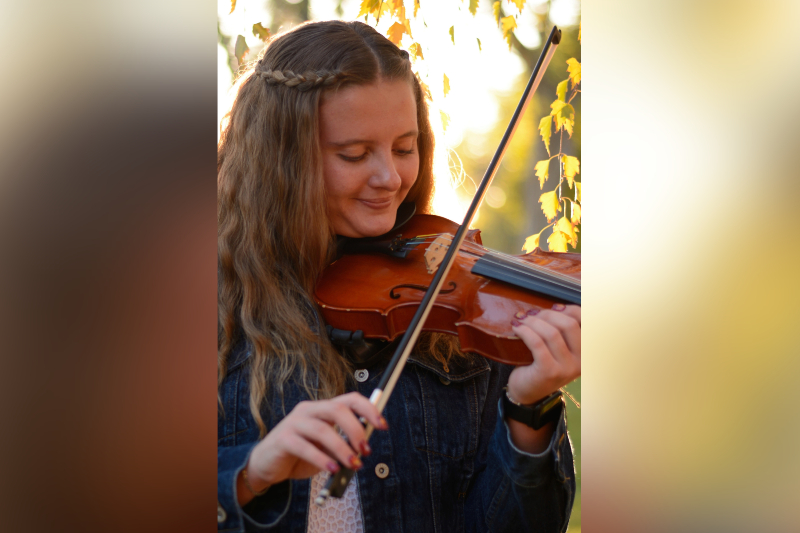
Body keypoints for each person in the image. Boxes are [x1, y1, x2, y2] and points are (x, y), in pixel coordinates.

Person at [217, 20, 581, 533]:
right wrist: (250, 474)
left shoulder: (459, 316)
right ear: (280, 161)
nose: (389, 178)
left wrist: (528, 407)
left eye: (405, 148)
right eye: (354, 154)